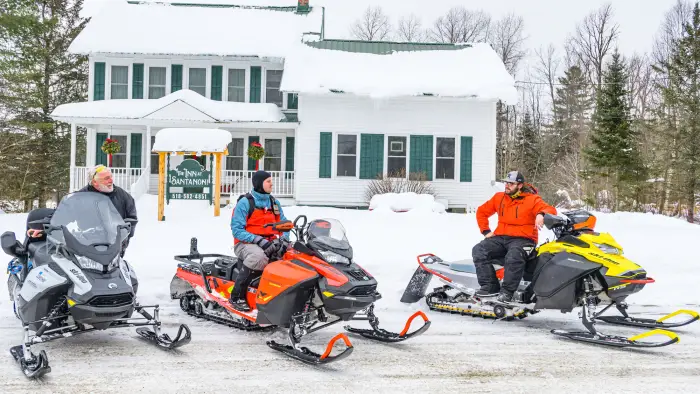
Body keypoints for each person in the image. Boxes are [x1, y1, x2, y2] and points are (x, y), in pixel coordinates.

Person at [473, 171, 556, 303]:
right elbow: (482, 212)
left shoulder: (532, 199)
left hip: (524, 239)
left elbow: (550, 209)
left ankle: (507, 292)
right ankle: (490, 286)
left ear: (520, 185)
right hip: (501, 237)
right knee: (479, 250)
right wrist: (486, 231)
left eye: (511, 183)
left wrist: (541, 214)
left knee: (514, 255)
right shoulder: (499, 197)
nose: (507, 186)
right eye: (506, 183)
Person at [229, 170, 288, 312]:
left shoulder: (274, 202)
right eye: (268, 181)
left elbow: (284, 224)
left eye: (271, 180)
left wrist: (285, 240)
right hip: (245, 243)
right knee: (259, 257)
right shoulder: (245, 203)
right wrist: (258, 240)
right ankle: (237, 296)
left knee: (290, 258)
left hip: (270, 241)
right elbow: (237, 230)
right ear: (259, 184)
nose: (271, 183)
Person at [78, 165, 138, 254]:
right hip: (87, 246)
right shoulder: (80, 197)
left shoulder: (122, 196)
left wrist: (125, 238)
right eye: (106, 178)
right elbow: (66, 216)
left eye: (111, 177)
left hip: (115, 246)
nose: (111, 180)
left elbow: (132, 218)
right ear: (95, 182)